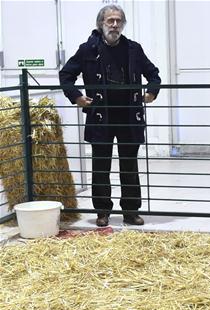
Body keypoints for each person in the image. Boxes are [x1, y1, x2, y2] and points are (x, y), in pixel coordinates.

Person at [60, 4, 160, 227]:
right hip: (100, 117)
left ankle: (131, 211)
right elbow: (66, 75)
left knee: (129, 166)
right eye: (110, 21)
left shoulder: (134, 49)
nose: (114, 25)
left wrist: (152, 91)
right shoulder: (87, 49)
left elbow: (153, 74)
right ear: (101, 24)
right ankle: (102, 211)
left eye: (118, 21)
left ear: (123, 24)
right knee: (101, 166)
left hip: (128, 116)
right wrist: (76, 96)